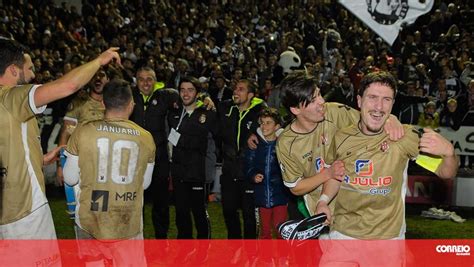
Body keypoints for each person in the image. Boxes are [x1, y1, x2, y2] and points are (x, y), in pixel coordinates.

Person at [316, 71, 458, 265]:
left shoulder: (404, 137)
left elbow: (446, 172)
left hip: (386, 240)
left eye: (386, 100)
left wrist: (449, 153)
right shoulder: (342, 137)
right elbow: (336, 174)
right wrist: (323, 201)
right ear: (359, 101)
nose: (379, 107)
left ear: (392, 104)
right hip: (343, 235)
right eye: (372, 98)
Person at [0, 38, 120, 239]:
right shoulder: (12, 97)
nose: (33, 74)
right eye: (29, 69)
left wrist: (40, 159)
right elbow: (69, 85)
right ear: (13, 70)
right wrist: (99, 60)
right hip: (25, 210)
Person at [272, 71, 404, 221]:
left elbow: (369, 118)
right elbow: (296, 187)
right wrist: (327, 174)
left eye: (320, 94)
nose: (321, 102)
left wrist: (390, 119)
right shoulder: (286, 143)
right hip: (320, 211)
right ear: (295, 109)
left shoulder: (335, 112)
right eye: (313, 100)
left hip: (353, 205)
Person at [63, 79, 155, 266]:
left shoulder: (83, 131)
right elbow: (144, 184)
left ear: (103, 103)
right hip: (127, 218)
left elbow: (70, 178)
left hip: (91, 217)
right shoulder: (146, 137)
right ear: (131, 104)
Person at [168, 76, 217, 262]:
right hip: (178, 171)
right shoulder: (174, 111)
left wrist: (180, 140)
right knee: (181, 213)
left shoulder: (207, 112)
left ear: (197, 93)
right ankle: (184, 248)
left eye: (190, 90)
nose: (185, 93)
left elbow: (198, 142)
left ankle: (203, 248)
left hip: (197, 172)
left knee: (198, 212)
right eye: (182, 89)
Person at [217, 79, 266, 239]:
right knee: (229, 211)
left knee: (249, 215)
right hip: (229, 170)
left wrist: (257, 132)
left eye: (241, 89)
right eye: (235, 89)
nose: (235, 92)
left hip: (249, 172)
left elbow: (275, 125)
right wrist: (205, 99)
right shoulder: (225, 108)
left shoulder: (260, 111)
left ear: (250, 95)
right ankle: (235, 248)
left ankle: (250, 255)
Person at [245, 108, 289, 239]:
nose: (264, 126)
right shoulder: (255, 144)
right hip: (262, 194)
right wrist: (253, 175)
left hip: (280, 194)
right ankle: (265, 259)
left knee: (280, 228)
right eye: (262, 122)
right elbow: (248, 165)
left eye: (268, 123)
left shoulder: (284, 144)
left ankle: (282, 258)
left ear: (277, 126)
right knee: (264, 231)